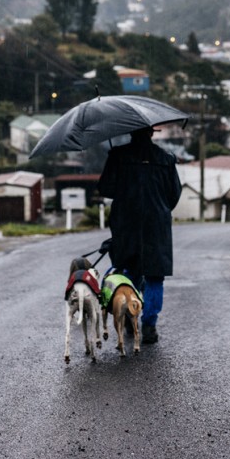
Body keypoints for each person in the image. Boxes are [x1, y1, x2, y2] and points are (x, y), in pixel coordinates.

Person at [97, 126, 182, 344]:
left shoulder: (118, 155)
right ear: (152, 133)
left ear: (130, 133)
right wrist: (159, 208)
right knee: (155, 275)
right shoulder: (166, 159)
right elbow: (174, 194)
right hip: (157, 225)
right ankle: (150, 325)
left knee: (128, 271)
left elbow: (106, 188)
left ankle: (129, 315)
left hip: (126, 222)